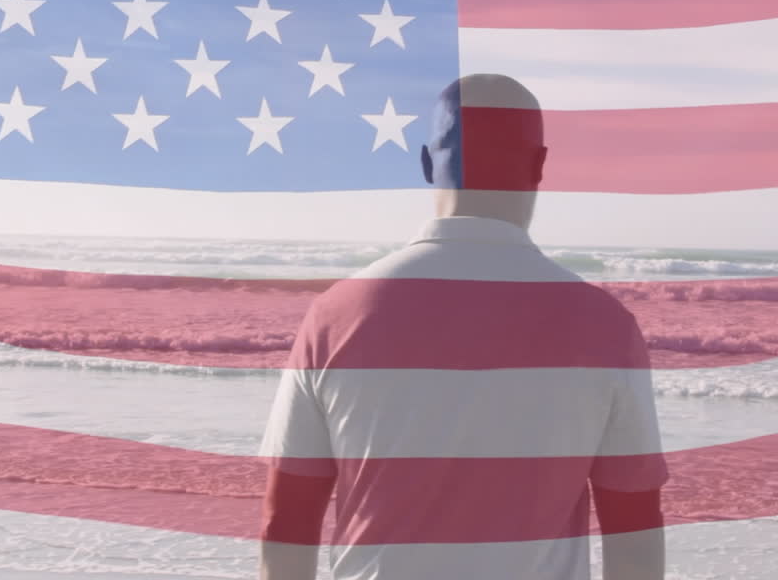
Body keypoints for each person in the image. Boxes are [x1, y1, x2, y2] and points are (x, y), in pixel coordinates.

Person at [258, 75, 667, 580]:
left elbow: (289, 519)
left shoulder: (337, 312)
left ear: (428, 163)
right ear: (539, 165)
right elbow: (634, 531)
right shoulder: (605, 324)